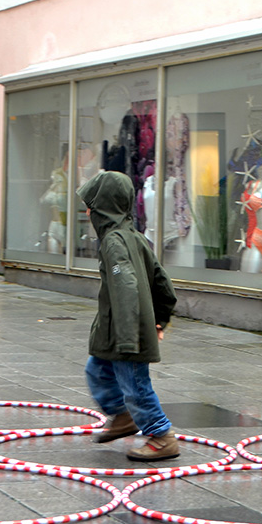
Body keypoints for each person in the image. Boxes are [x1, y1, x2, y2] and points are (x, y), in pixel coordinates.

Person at [79, 170, 180, 461]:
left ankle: (161, 435)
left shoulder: (113, 242)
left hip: (126, 332)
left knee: (135, 386)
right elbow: (163, 283)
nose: (87, 211)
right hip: (116, 329)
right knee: (96, 370)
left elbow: (126, 287)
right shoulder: (133, 237)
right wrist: (161, 318)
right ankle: (122, 418)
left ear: (103, 207)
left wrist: (127, 340)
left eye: (91, 205)